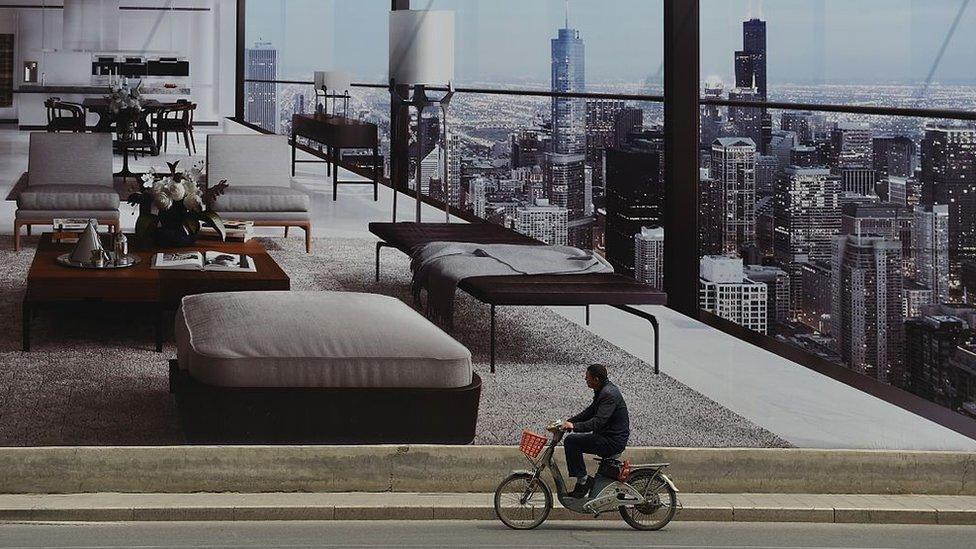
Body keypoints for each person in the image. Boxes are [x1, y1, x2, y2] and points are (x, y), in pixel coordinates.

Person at [561, 364, 630, 498]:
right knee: (573, 440)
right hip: (608, 437)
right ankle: (585, 482)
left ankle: (583, 481)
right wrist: (569, 422)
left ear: (596, 379)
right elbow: (590, 411)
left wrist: (574, 427)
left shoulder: (608, 394)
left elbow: (598, 422)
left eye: (587, 377)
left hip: (612, 441)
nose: (585, 379)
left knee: (571, 441)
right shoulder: (603, 390)